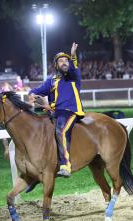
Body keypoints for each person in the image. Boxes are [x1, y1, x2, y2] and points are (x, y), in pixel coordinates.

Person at [28, 42, 84, 178]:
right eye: (61, 61)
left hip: (69, 111)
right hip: (53, 113)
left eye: (66, 60)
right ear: (56, 65)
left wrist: (73, 55)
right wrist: (31, 94)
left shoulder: (73, 75)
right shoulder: (51, 80)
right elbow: (37, 90)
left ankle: (65, 165)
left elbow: (73, 65)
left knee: (61, 130)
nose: (64, 62)